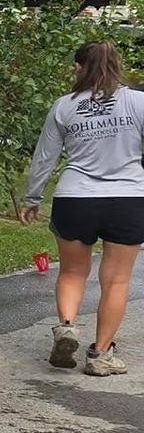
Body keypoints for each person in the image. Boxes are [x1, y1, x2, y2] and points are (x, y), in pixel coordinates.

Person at [21, 40, 144, 376]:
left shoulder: (64, 106)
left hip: (75, 199)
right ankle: (101, 355)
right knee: (116, 281)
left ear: (78, 68)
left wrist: (32, 198)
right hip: (128, 199)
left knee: (72, 272)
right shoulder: (138, 102)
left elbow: (45, 157)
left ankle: (67, 327)